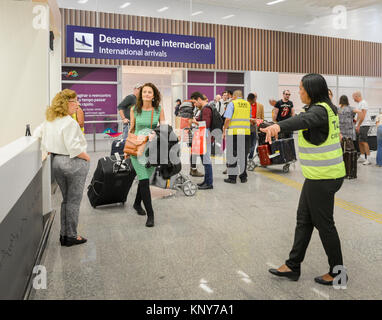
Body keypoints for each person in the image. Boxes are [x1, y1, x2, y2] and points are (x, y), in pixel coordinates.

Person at [262, 74, 347, 286]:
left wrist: (279, 127)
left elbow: (303, 121)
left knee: (325, 225)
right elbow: (302, 119)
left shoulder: (319, 111)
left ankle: (338, 273)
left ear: (312, 90)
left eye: (301, 88)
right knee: (304, 220)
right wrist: (273, 124)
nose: (299, 92)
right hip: (319, 176)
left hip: (324, 177)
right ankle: (293, 265)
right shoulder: (324, 108)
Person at [33, 89, 90, 247]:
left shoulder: (50, 121)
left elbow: (37, 134)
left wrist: (49, 146)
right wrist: (87, 157)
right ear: (66, 103)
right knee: (74, 201)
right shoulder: (69, 122)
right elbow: (74, 148)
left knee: (66, 200)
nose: (77, 105)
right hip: (73, 163)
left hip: (57, 162)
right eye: (75, 102)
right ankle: (71, 236)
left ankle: (64, 235)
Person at [128, 83, 165, 227]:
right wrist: (128, 147)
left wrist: (156, 132)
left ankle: (137, 204)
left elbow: (163, 128)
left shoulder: (159, 110)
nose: (147, 94)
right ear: (141, 94)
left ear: (154, 95)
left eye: (150, 92)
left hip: (152, 151)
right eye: (144, 92)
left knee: (144, 179)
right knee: (144, 180)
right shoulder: (134, 110)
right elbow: (131, 128)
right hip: (137, 150)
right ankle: (151, 215)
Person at [222, 90, 251, 184]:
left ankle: (232, 178)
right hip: (246, 133)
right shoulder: (247, 104)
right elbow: (249, 118)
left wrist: (224, 129)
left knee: (232, 155)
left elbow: (228, 119)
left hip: (234, 132)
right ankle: (243, 177)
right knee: (243, 155)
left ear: (234, 96)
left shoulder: (232, 104)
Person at [190, 92, 214, 190]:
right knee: (204, 159)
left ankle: (209, 183)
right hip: (204, 135)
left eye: (195, 102)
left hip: (206, 136)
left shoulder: (206, 109)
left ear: (199, 99)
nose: (195, 105)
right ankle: (206, 181)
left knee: (206, 159)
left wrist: (195, 121)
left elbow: (206, 124)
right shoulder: (204, 109)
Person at [352, 91, 371, 165]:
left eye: (354, 98)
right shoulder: (359, 104)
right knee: (360, 141)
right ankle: (362, 157)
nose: (353, 99)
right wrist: (355, 123)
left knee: (364, 141)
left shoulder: (363, 103)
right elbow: (358, 116)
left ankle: (368, 159)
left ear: (357, 96)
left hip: (364, 124)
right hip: (360, 125)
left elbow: (363, 115)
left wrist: (358, 125)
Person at [247, 92, 265, 160]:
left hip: (255, 127)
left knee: (253, 143)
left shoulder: (260, 106)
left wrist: (258, 122)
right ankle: (247, 155)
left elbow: (262, 118)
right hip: (247, 126)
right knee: (247, 142)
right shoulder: (246, 105)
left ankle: (250, 157)